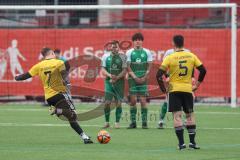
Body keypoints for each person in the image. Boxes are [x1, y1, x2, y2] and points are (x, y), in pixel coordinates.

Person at [15, 47, 93, 144]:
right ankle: (56, 110)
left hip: (48, 97)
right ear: (52, 53)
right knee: (72, 115)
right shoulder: (58, 62)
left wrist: (17, 77)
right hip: (59, 93)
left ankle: (85, 137)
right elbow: (67, 68)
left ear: (43, 56)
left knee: (69, 116)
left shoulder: (39, 65)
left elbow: (26, 76)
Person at [156, 35, 206, 150]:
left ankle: (181, 144)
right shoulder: (191, 55)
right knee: (189, 115)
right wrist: (197, 85)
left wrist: (164, 90)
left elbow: (158, 75)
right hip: (188, 90)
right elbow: (203, 70)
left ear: (173, 43)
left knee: (177, 116)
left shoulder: (170, 57)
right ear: (183, 43)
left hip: (174, 90)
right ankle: (192, 143)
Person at [158, 48, 192, 129]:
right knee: (167, 100)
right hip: (173, 81)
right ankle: (161, 120)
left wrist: (192, 77)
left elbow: (191, 66)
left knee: (185, 102)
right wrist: (167, 76)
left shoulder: (187, 52)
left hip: (185, 82)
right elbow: (164, 66)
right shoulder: (169, 52)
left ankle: (186, 121)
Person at [126, 33, 152, 129]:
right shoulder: (129, 52)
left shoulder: (147, 52)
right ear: (133, 42)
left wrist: (145, 76)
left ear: (142, 41)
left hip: (143, 78)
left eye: (139, 40)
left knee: (143, 101)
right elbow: (128, 66)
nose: (138, 41)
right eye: (136, 40)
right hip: (132, 79)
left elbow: (149, 65)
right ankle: (133, 123)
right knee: (132, 101)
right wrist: (135, 77)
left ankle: (144, 123)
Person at [101, 40, 127, 129]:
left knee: (118, 103)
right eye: (112, 47)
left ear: (118, 47)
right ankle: (107, 122)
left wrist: (117, 77)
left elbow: (124, 70)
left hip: (119, 82)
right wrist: (110, 76)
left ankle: (117, 122)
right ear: (110, 47)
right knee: (107, 102)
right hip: (108, 82)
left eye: (116, 46)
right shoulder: (105, 56)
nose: (114, 48)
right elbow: (103, 69)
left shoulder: (123, 57)